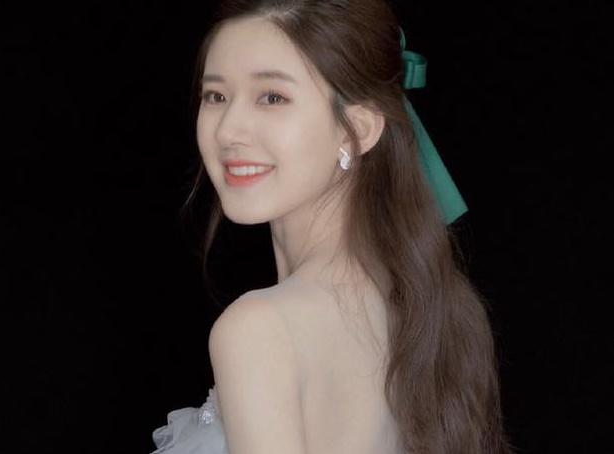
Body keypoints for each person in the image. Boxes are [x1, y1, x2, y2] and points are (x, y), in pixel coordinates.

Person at [151, 1, 514, 453]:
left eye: (272, 97)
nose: (228, 131)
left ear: (357, 129)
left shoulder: (260, 330)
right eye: (216, 96)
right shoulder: (419, 302)